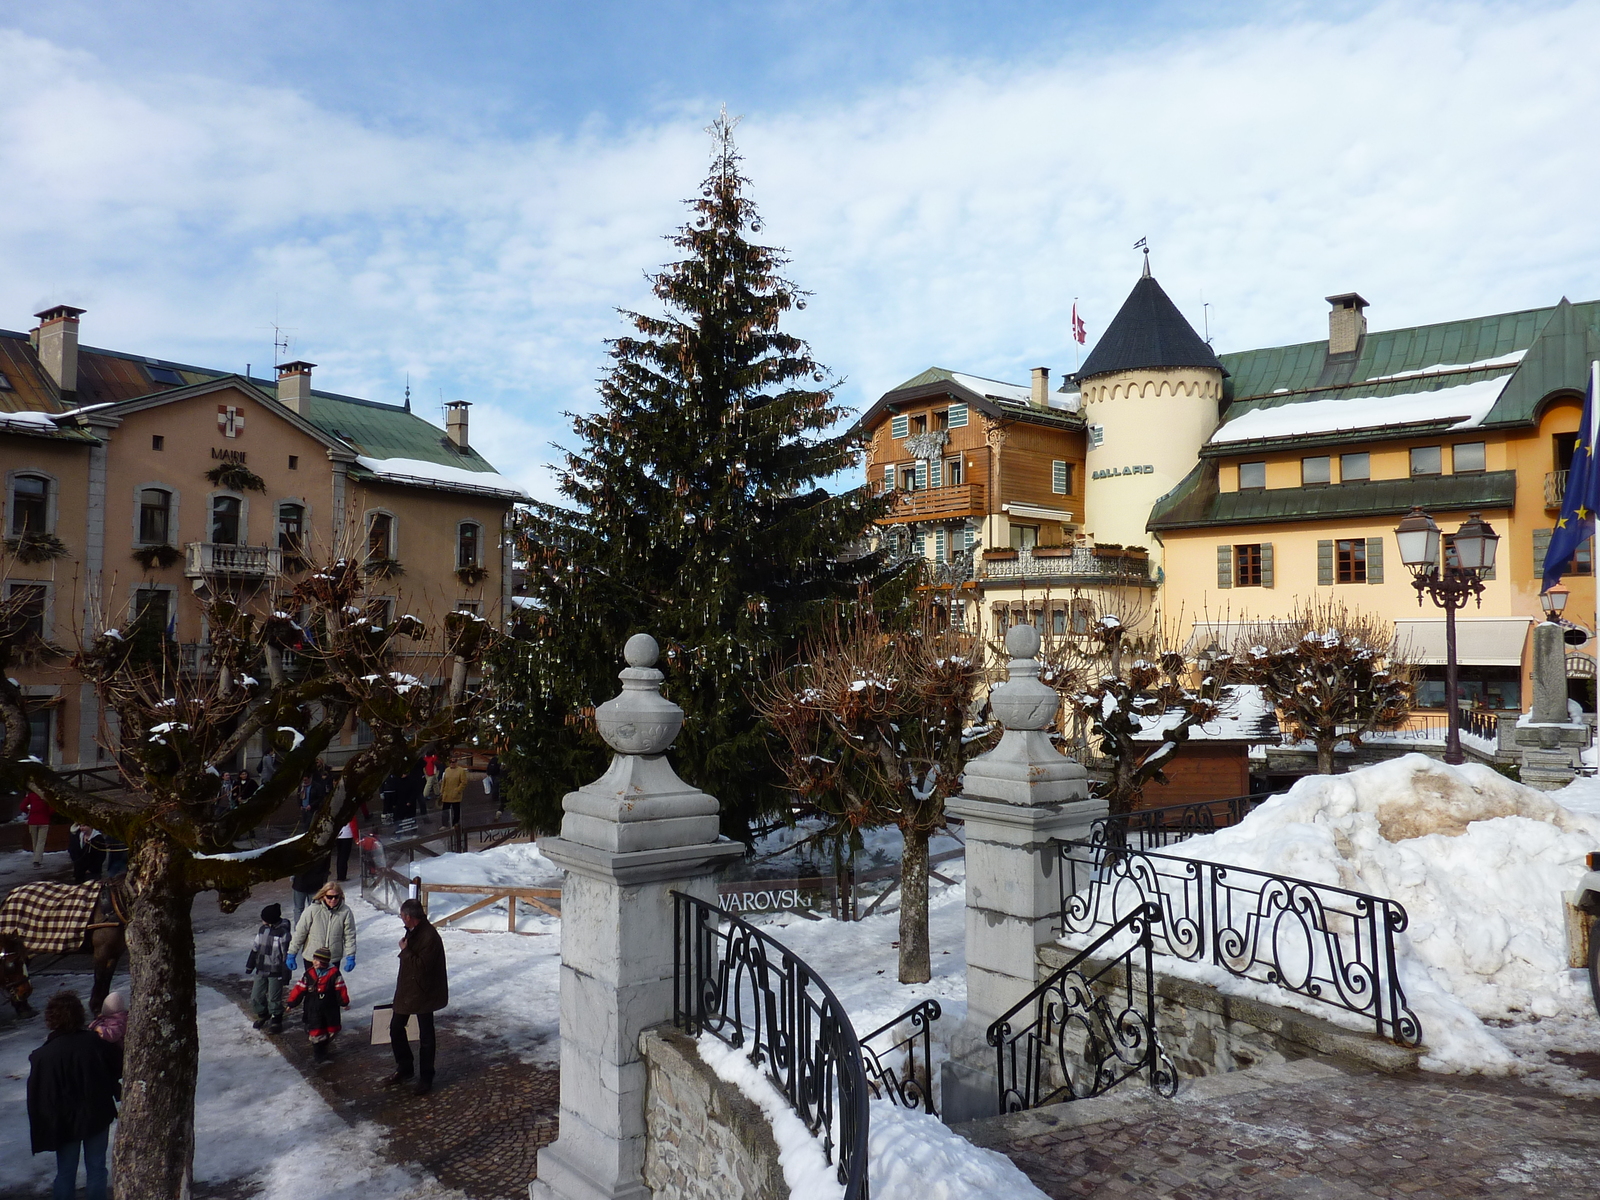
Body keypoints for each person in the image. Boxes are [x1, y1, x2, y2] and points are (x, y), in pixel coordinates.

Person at [27, 989, 120, 1200]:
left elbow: (39, 1097)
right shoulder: (96, 1043)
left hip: (64, 1122)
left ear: (51, 1018)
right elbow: (118, 1067)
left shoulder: (43, 1056)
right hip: (97, 1115)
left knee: (65, 1172)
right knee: (97, 1168)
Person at [386, 897, 447, 1096]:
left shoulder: (429, 936)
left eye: (402, 916)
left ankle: (426, 1077)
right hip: (409, 990)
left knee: (426, 1036)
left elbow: (422, 966)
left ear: (410, 917)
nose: (401, 919)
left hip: (424, 991)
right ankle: (405, 1067)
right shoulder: (415, 931)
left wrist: (405, 951)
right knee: (396, 1028)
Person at [284, 946, 349, 1064]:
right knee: (316, 1030)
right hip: (313, 1007)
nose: (314, 962)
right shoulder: (309, 974)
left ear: (324, 962)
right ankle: (319, 1053)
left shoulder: (334, 974)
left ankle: (323, 1046)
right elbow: (299, 989)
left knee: (332, 1028)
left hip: (330, 1007)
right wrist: (292, 1003)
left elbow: (340, 989)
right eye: (314, 959)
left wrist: (344, 1002)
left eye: (317, 960)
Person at [287, 881, 357, 978]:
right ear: (323, 896)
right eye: (329, 897)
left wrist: (351, 955)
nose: (333, 900)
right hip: (312, 958)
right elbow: (300, 932)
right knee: (312, 988)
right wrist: (292, 953)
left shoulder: (345, 912)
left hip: (332, 958)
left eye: (336, 897)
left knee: (330, 988)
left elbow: (349, 935)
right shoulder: (313, 910)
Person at [246, 903, 292, 1034]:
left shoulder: (283, 933)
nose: (262, 920)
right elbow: (255, 948)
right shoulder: (262, 930)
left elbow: (286, 955)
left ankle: (276, 1018)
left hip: (275, 970)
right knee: (256, 996)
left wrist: (286, 974)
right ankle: (263, 1013)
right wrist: (250, 965)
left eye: (264, 918)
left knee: (274, 997)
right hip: (261, 968)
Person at [88, 992, 127, 1074]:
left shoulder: (118, 1022)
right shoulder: (108, 1018)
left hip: (116, 1051)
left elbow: (112, 1035)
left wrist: (99, 1029)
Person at [290, 854, 330, 926]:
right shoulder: (322, 850)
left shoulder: (301, 848)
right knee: (314, 908)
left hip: (300, 882)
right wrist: (324, 879)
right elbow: (326, 865)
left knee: (298, 909)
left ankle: (298, 929)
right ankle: (312, 929)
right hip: (315, 882)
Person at [21, 790, 52, 868]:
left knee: (34, 841)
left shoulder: (31, 795)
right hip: (44, 820)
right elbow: (52, 809)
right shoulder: (46, 795)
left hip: (32, 821)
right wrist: (47, 813)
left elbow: (22, 806)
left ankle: (37, 860)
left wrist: (29, 811)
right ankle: (37, 861)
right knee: (41, 842)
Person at [439, 756, 469, 830]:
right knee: (445, 810)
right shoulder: (446, 770)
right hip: (447, 793)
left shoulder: (461, 771)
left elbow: (464, 782)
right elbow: (443, 782)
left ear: (456, 762)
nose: (452, 763)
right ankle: (444, 824)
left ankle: (455, 823)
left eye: (453, 762)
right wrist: (441, 791)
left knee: (456, 810)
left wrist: (458, 790)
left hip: (455, 794)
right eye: (450, 762)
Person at [335, 815, 358, 882]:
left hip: (338, 836)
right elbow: (353, 826)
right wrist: (356, 838)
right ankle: (342, 876)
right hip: (347, 836)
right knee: (344, 857)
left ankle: (340, 875)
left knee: (340, 856)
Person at [484, 754, 503, 819]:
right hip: (497, 774)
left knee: (495, 786)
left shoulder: (493, 759)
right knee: (497, 785)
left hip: (493, 775)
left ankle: (495, 797)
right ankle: (498, 797)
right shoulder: (499, 760)